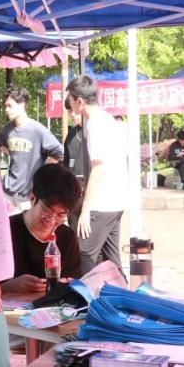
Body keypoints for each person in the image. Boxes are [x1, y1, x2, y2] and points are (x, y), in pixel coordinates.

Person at [66, 76, 128, 278]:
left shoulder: (95, 124)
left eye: (70, 99)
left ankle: (84, 296)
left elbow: (98, 168)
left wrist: (86, 210)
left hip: (102, 203)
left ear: (80, 101)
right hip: (116, 201)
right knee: (111, 261)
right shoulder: (107, 119)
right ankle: (123, 294)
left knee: (82, 255)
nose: (69, 104)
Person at [1, 164, 83, 294]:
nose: (51, 219)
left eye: (60, 215)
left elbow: (75, 284)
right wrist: (8, 287)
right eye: (47, 210)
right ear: (32, 198)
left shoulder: (67, 237)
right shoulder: (4, 231)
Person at [0, 85, 64, 208]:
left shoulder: (38, 130)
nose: (7, 110)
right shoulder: (6, 130)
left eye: (10, 106)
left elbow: (59, 152)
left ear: (22, 104)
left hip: (29, 195)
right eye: (5, 106)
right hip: (7, 192)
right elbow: (2, 146)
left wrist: (43, 170)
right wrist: (16, 154)